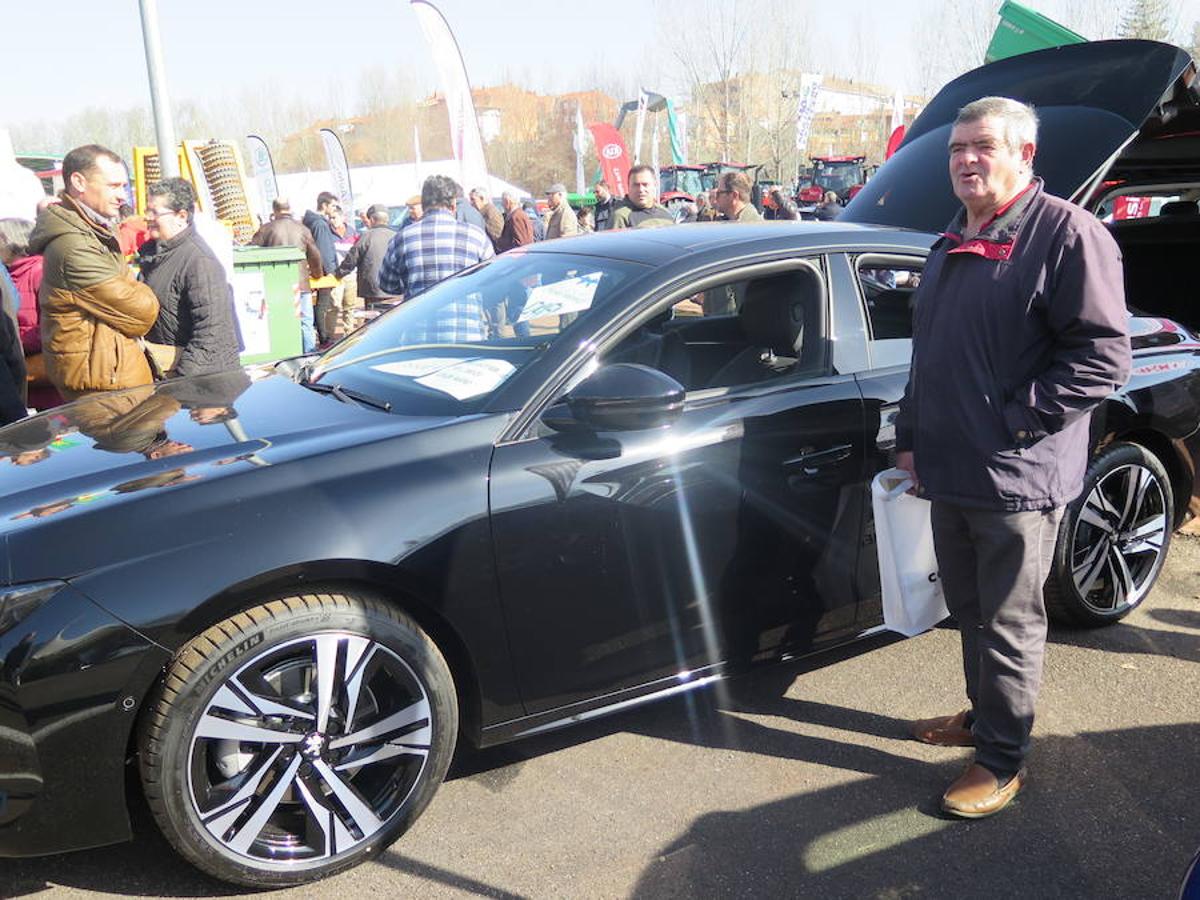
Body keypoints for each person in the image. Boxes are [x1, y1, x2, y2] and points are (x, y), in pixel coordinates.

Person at [897, 97, 1131, 819]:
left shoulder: (1068, 235)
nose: (966, 158)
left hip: (1015, 476)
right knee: (967, 610)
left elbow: (1102, 358)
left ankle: (1002, 759)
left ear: (1025, 155)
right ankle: (982, 715)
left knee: (1008, 621)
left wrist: (1014, 422)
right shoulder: (950, 242)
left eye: (985, 146)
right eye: (957, 148)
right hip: (949, 469)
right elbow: (929, 358)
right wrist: (910, 436)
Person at [29, 144, 159, 401]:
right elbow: (143, 312)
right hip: (105, 391)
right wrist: (137, 288)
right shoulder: (73, 245)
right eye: (113, 186)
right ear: (78, 181)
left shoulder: (93, 233)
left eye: (123, 186)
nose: (123, 196)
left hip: (112, 378)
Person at [138, 178, 242, 378]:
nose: (147, 217)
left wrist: (182, 383)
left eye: (154, 212)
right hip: (166, 374)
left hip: (197, 383)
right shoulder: (153, 256)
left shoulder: (199, 262)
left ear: (181, 216)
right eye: (147, 211)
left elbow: (212, 334)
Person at [378, 174, 494, 323]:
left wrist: (411, 282)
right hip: (467, 333)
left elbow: (386, 284)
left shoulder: (402, 238)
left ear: (424, 206)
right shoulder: (477, 237)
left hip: (418, 333)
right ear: (453, 205)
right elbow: (492, 283)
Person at [249, 197, 324, 353]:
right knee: (305, 323)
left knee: (279, 322)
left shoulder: (266, 229)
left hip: (276, 284)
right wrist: (317, 275)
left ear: (274, 210)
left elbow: (251, 252)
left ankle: (283, 354)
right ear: (289, 208)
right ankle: (309, 355)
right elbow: (315, 256)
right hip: (301, 283)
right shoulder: (303, 229)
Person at [0, 217, 60, 410]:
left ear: (8, 240)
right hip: (25, 384)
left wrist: (16, 338)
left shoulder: (39, 271)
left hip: (46, 384)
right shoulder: (9, 274)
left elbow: (54, 325)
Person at [334, 203, 398, 310]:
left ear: (372, 219)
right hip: (395, 289)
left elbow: (351, 260)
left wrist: (337, 274)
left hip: (373, 291)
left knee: (374, 321)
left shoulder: (366, 237)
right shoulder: (397, 236)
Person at [303, 191, 339, 346]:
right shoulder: (319, 224)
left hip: (315, 268)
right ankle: (324, 337)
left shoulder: (311, 222)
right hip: (323, 271)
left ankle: (322, 334)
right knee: (322, 305)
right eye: (332, 205)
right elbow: (323, 250)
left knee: (319, 304)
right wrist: (331, 272)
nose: (334, 209)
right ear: (324, 205)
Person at [612, 165, 674, 229]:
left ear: (654, 186)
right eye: (636, 185)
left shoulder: (665, 213)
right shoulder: (621, 217)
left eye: (645, 185)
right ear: (628, 187)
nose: (641, 189)